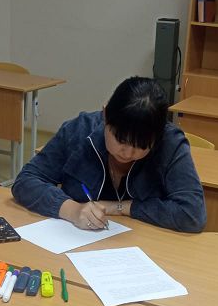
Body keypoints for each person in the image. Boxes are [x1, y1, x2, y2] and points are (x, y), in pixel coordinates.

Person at [12, 76, 205, 233]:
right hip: (77, 241)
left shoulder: (171, 143)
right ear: (105, 115)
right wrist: (72, 210)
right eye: (120, 140)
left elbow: (192, 214)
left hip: (145, 246)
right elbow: (26, 180)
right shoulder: (79, 130)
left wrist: (120, 208)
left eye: (141, 146)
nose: (128, 153)